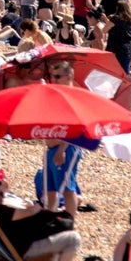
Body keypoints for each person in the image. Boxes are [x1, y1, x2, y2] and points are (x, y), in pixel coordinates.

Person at [45, 61, 81, 217]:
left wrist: (61, 149)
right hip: (53, 147)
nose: (55, 80)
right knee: (51, 190)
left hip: (66, 147)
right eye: (53, 76)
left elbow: (75, 127)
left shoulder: (74, 97)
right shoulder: (60, 96)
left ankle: (70, 222)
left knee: (67, 189)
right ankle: (51, 219)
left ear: (69, 76)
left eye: (58, 76)